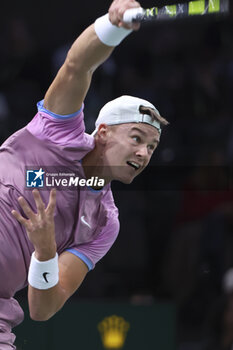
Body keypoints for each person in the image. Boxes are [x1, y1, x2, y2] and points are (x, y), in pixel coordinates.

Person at [0, 0, 168, 348]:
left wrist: (45, 252)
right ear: (103, 132)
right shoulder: (57, 133)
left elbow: (43, 309)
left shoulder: (105, 223)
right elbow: (78, 66)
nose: (143, 153)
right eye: (137, 138)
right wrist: (112, 26)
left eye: (151, 148)